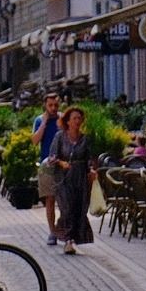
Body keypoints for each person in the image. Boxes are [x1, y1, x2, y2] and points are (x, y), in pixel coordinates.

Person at [47, 107, 96, 255]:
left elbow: (89, 159)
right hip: (64, 178)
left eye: (79, 118)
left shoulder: (84, 139)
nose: (77, 121)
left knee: (79, 209)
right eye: (74, 118)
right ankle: (67, 240)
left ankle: (74, 238)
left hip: (80, 178)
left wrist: (92, 169)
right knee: (66, 208)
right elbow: (52, 157)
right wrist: (61, 163)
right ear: (67, 121)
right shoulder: (60, 137)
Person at [30, 93, 63, 245]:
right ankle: (52, 231)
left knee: (64, 200)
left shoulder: (63, 119)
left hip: (63, 164)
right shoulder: (39, 120)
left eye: (56, 105)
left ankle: (65, 229)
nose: (53, 108)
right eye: (50, 105)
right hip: (47, 165)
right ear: (45, 105)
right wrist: (43, 123)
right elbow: (35, 141)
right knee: (50, 199)